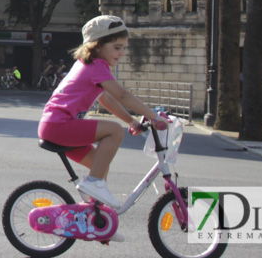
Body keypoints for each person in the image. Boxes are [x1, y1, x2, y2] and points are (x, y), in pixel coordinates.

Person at [38, 15, 166, 212]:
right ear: (97, 46)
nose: (122, 53)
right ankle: (94, 183)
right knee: (114, 131)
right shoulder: (96, 66)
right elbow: (122, 95)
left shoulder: (88, 65)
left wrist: (132, 121)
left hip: (56, 126)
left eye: (124, 47)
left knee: (101, 163)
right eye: (116, 47)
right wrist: (154, 117)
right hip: (59, 125)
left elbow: (107, 99)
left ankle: (96, 219)